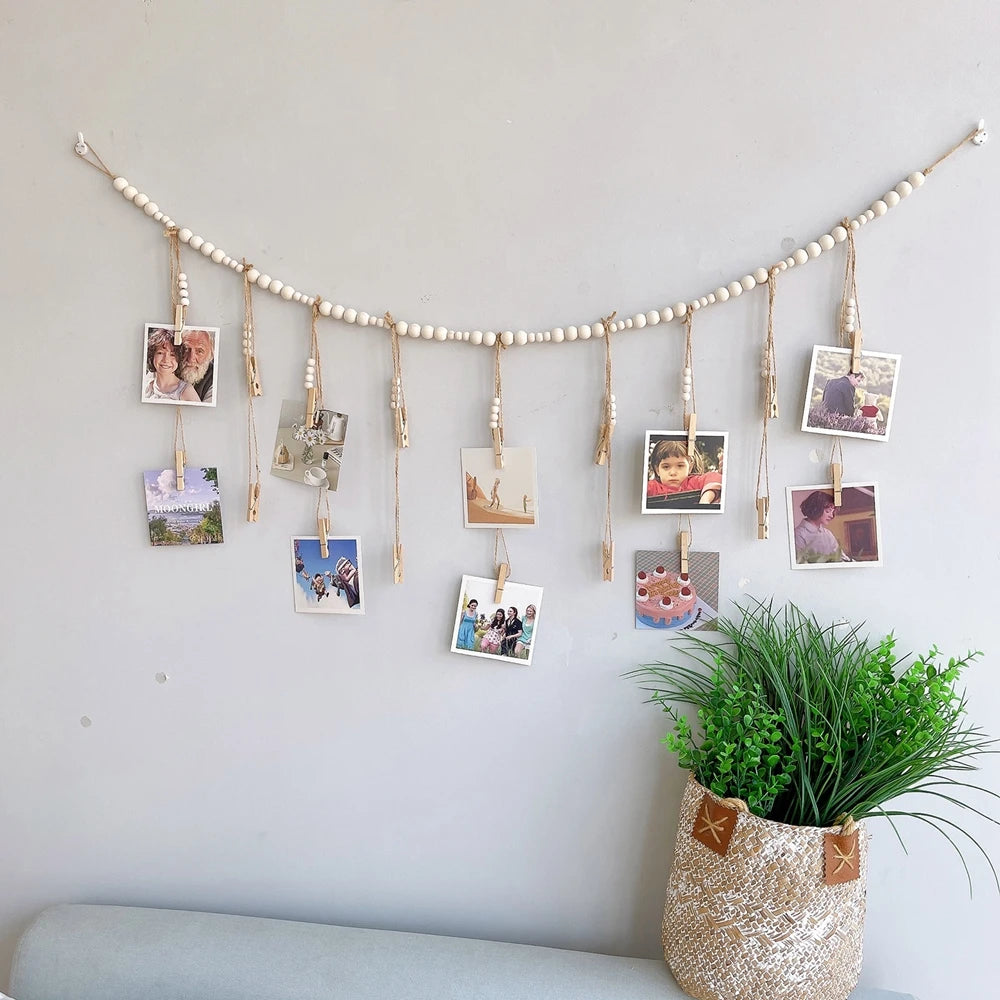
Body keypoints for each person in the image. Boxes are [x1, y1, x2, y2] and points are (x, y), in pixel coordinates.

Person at [646, 439, 722, 504]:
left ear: (690, 467)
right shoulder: (652, 487)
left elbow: (715, 477)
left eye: (680, 466)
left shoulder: (693, 483)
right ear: (657, 470)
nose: (673, 473)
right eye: (666, 467)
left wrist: (706, 499)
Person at [143, 329, 200, 402]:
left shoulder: (186, 391)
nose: (166, 360)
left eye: (172, 355)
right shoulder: (147, 385)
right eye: (160, 353)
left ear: (179, 358)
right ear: (152, 355)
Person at [793, 490, 845, 563]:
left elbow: (841, 557)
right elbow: (800, 563)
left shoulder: (827, 534)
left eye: (832, 512)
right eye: (827, 511)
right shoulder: (798, 534)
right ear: (816, 509)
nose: (831, 516)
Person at [181, 329, 216, 403]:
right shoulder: (168, 365)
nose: (191, 359)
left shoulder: (216, 382)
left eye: (199, 351)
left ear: (211, 355)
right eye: (186, 349)